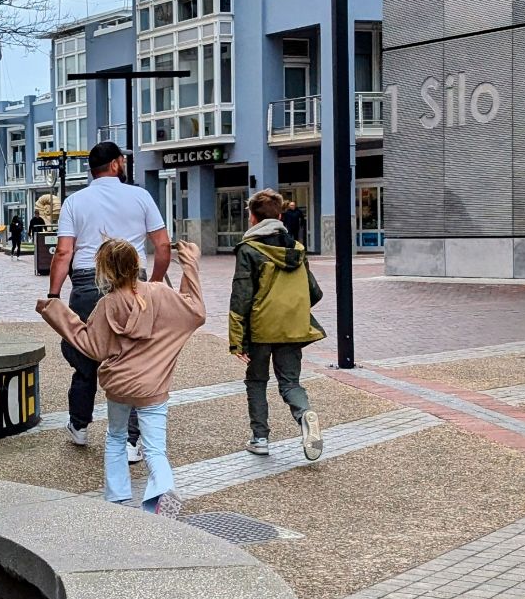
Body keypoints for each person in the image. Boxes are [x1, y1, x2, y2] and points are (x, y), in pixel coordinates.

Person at [39, 239, 203, 514]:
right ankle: (162, 493)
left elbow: (93, 347)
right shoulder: (160, 293)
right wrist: (190, 265)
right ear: (136, 264)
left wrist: (55, 311)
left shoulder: (108, 304)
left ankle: (117, 498)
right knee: (155, 450)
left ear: (104, 270)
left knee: (116, 436)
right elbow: (193, 311)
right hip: (153, 386)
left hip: (120, 385)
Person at [47, 141, 171, 451]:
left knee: (86, 355)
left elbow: (63, 252)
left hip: (87, 281)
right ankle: (130, 440)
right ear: (115, 164)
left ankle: (79, 425)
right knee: (133, 357)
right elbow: (163, 245)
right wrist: (154, 284)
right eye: (122, 161)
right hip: (132, 281)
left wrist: (53, 294)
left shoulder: (74, 202)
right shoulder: (140, 197)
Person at [229, 188, 325, 461]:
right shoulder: (297, 249)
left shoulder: (249, 249)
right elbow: (314, 292)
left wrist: (237, 339)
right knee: (290, 382)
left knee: (257, 380)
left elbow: (241, 296)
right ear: (280, 216)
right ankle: (305, 414)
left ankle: (260, 438)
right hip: (292, 327)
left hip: (260, 329)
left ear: (252, 217)